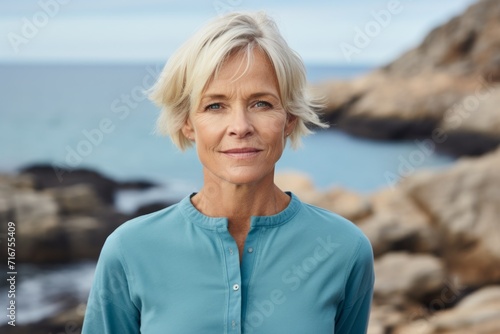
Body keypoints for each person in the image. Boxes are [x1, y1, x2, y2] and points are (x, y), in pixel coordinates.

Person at [82, 11, 374, 334]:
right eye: (215, 106)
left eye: (261, 103)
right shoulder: (127, 252)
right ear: (188, 122)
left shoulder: (345, 250)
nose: (240, 127)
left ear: (289, 118)